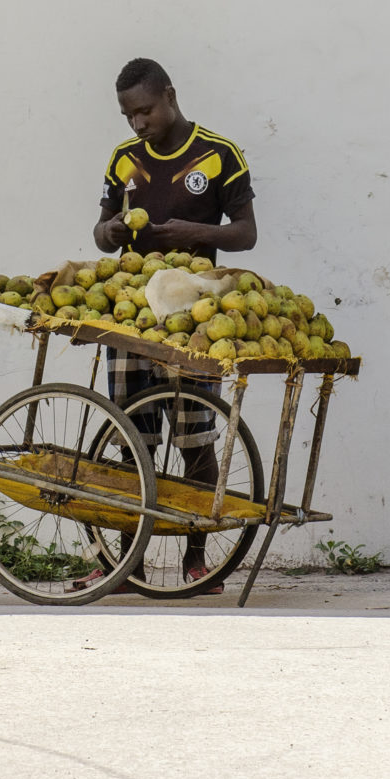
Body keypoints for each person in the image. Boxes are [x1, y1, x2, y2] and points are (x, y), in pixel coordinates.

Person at [89, 57, 256, 591]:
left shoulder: (220, 155)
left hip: (195, 318)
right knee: (130, 439)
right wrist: (109, 230)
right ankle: (127, 559)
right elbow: (98, 229)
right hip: (133, 313)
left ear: (170, 95)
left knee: (195, 435)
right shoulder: (124, 159)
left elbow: (247, 234)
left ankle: (196, 558)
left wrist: (196, 232)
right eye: (128, 114)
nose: (138, 123)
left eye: (145, 110)